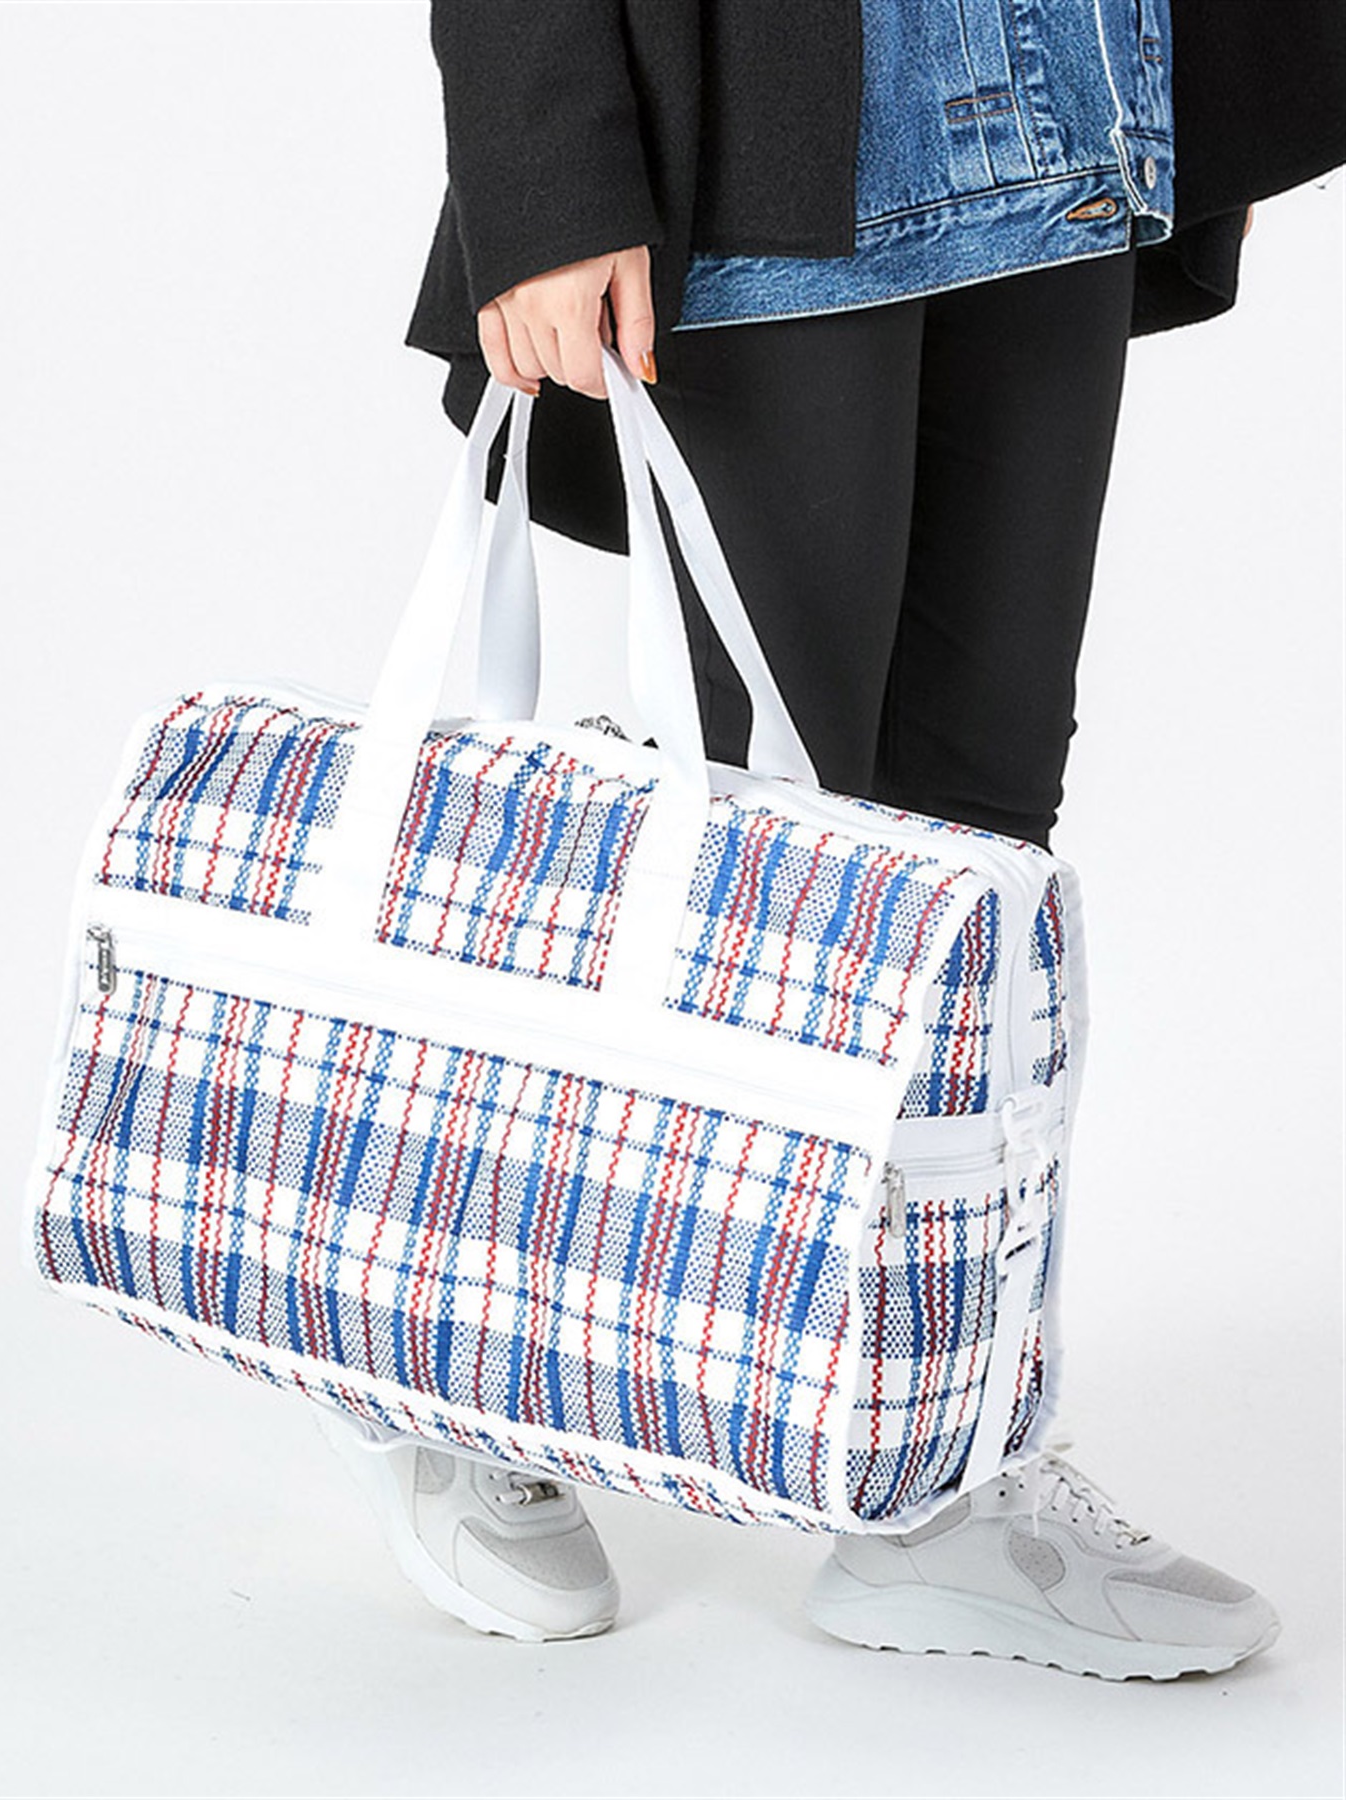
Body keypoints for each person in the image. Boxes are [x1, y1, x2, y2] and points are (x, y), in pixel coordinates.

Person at [316, 0, 1344, 1676]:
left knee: (976, 851)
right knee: (745, 858)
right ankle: (453, 1359)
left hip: (1066, 94)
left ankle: (932, 1480)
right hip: (777, 118)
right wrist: (543, 167)